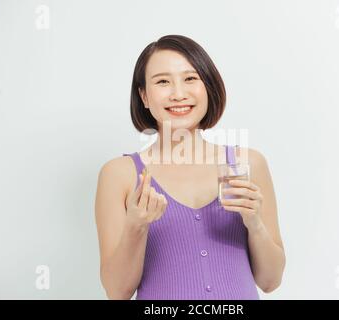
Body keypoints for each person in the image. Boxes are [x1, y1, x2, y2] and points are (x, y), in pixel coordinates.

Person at [95, 35, 285, 300]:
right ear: (144, 97)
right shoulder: (119, 174)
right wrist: (136, 226)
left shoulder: (247, 164)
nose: (178, 94)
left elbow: (271, 280)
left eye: (190, 78)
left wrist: (255, 224)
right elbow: (117, 291)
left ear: (208, 87)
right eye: (162, 81)